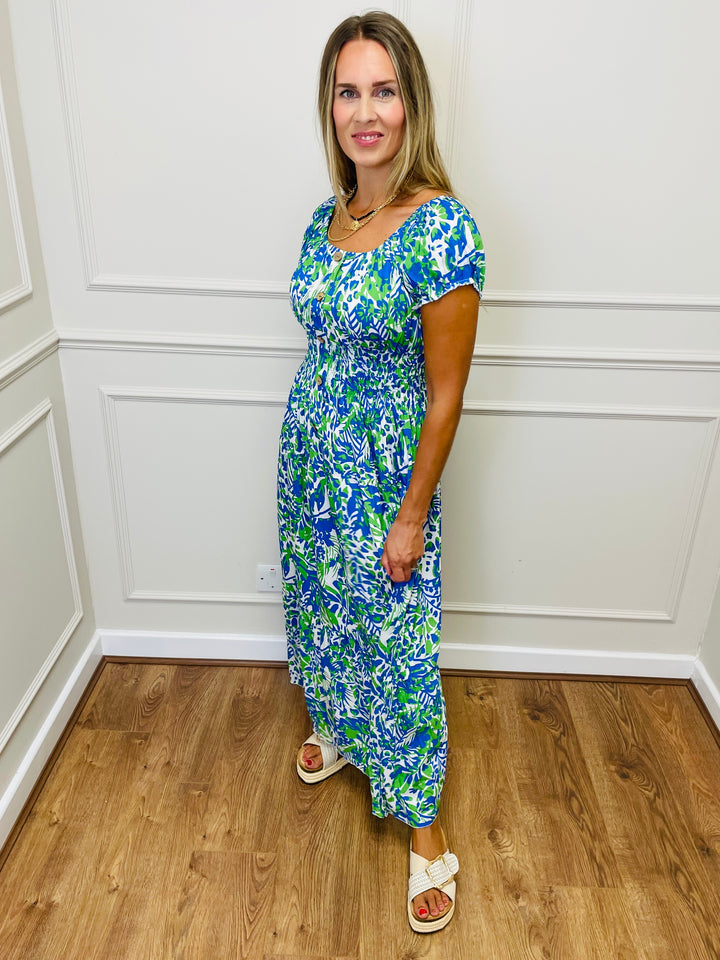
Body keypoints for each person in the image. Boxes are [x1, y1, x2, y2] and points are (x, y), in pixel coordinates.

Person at [276, 10, 484, 933]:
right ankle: (340, 729)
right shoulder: (328, 218)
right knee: (326, 611)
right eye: (348, 92)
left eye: (384, 91)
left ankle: (426, 833)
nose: (366, 112)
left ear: (412, 104)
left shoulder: (440, 229)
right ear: (330, 108)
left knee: (396, 646)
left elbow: (446, 395)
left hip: (383, 481)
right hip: (308, 467)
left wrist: (410, 514)